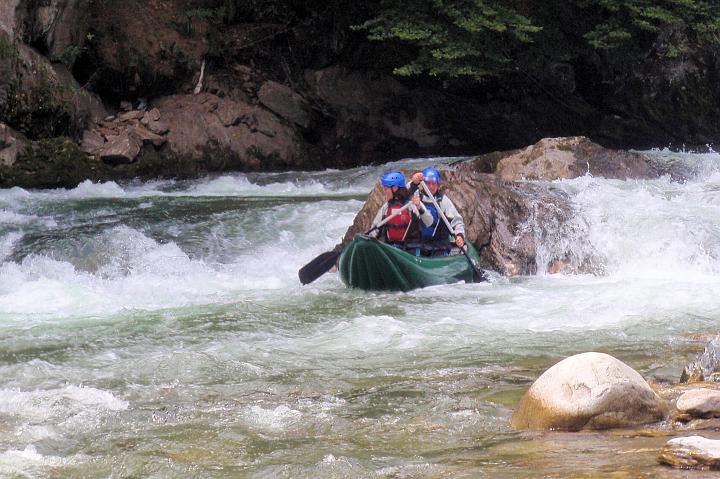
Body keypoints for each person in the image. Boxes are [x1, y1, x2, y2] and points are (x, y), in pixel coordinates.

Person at [408, 167, 466, 254]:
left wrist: (460, 235)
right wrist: (413, 183)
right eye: (428, 183)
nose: (431, 186)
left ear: (438, 185)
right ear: (423, 184)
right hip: (419, 245)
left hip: (439, 246)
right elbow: (403, 194)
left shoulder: (443, 201)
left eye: (433, 184)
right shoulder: (416, 196)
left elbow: (457, 221)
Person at [369, 171, 434, 248]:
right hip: (391, 248)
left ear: (395, 188)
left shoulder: (412, 204)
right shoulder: (386, 207)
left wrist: (420, 208)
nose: (384, 192)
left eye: (386, 189)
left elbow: (429, 222)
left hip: (411, 251)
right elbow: (374, 230)